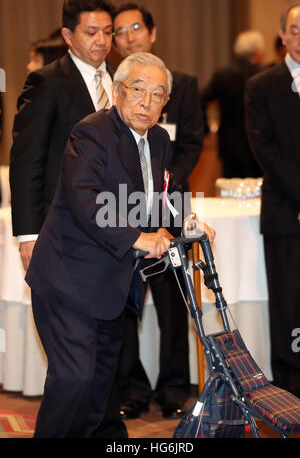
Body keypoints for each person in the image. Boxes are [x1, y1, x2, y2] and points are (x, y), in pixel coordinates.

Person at [24, 51, 215, 437]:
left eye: (158, 94)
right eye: (138, 89)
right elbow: (85, 199)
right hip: (70, 280)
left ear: (166, 103)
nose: (147, 102)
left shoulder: (159, 140)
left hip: (114, 285)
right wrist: (138, 238)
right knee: (74, 382)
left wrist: (190, 222)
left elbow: (164, 196)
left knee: (99, 388)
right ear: (116, 90)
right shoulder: (92, 132)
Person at [112, 3, 204, 420]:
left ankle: (173, 389)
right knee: (124, 299)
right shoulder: (116, 89)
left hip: (170, 200)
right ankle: (130, 387)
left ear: (152, 32)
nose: (128, 35)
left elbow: (192, 143)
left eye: (135, 27)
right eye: (119, 31)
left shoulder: (184, 84)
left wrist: (165, 182)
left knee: (173, 301)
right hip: (124, 208)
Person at [10, 0, 115, 273]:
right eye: (91, 32)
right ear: (68, 36)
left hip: (119, 226)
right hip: (63, 227)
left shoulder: (122, 81)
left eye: (108, 31)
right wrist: (29, 235)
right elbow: (27, 160)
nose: (102, 41)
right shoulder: (47, 82)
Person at [245, 3, 300, 399]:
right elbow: (266, 151)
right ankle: (291, 383)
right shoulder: (261, 86)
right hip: (286, 211)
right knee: (289, 303)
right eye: (296, 29)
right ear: (282, 35)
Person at [201, 30, 265, 178]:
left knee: (229, 192)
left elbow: (200, 99)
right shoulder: (264, 75)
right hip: (257, 146)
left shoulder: (223, 75)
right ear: (258, 52)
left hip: (229, 145)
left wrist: (206, 129)